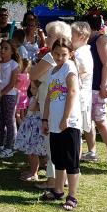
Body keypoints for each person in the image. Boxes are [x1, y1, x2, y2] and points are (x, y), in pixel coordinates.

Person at [28, 20, 72, 190]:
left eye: (50, 35)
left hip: (51, 105)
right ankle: (62, 179)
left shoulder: (50, 56)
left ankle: (52, 180)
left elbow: (33, 74)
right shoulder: (66, 58)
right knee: (60, 144)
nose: (46, 38)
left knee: (52, 144)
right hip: (57, 104)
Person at [40, 39, 82, 211]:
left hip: (69, 122)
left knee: (71, 160)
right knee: (58, 159)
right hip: (54, 122)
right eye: (56, 54)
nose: (59, 57)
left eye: (63, 54)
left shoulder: (69, 67)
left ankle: (72, 196)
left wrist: (65, 118)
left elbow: (72, 92)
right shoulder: (52, 71)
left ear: (70, 54)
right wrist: (45, 119)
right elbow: (49, 96)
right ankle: (57, 190)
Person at [80, 14, 107, 171]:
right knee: (87, 121)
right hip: (86, 87)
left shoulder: (101, 39)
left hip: (96, 87)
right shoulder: (87, 40)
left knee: (101, 122)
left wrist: (103, 85)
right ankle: (91, 151)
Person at [71, 22, 94, 156]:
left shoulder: (80, 54)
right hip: (82, 95)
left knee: (76, 130)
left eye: (71, 35)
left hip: (80, 96)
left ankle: (74, 161)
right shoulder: (83, 51)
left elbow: (83, 71)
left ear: (80, 36)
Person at [0, 40, 20, 159]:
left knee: (9, 121)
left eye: (6, 48)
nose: (3, 50)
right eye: (2, 48)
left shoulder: (14, 64)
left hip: (9, 96)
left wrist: (2, 93)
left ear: (12, 52)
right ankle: (0, 144)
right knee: (0, 120)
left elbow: (12, 84)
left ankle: (9, 147)